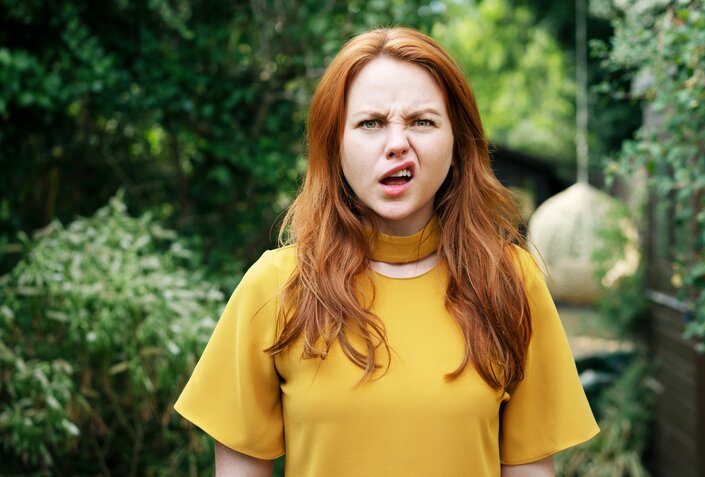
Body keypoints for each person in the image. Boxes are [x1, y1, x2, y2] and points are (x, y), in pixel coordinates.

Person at [175, 26, 599, 477]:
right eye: (371, 123)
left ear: (457, 144)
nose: (397, 143)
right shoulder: (274, 287)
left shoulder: (511, 281)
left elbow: (531, 470)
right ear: (334, 145)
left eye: (422, 121)